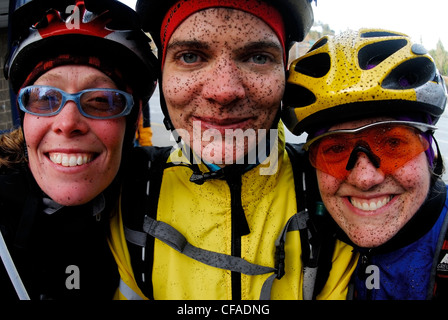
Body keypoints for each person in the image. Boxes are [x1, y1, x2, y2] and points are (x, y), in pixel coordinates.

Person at [107, 0, 358, 300]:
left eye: (257, 57)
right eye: (190, 56)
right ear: (161, 73)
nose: (224, 91)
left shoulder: (334, 190)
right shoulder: (125, 195)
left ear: (285, 73)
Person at [0, 0, 157, 300]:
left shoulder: (158, 197)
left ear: (133, 120)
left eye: (101, 100)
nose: (68, 122)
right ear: (25, 116)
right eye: (44, 98)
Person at [282, 28, 448, 300]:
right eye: (335, 148)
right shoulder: (306, 231)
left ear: (431, 152)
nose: (364, 178)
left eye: (394, 144)